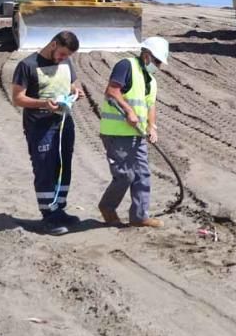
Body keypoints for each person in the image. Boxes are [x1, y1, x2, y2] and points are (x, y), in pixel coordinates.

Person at [11, 31, 85, 235]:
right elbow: (18, 98)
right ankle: (48, 216)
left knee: (63, 166)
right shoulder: (27, 65)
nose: (64, 59)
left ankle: (59, 209)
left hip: (63, 123)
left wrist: (76, 92)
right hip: (39, 126)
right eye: (62, 54)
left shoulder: (66, 63)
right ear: (53, 44)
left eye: (67, 56)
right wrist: (44, 103)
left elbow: (71, 84)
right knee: (44, 168)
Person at [98, 36, 169, 228]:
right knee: (125, 175)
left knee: (142, 174)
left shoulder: (151, 80)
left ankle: (139, 216)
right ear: (147, 55)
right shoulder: (126, 66)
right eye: (157, 61)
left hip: (137, 134)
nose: (159, 66)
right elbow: (112, 91)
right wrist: (128, 111)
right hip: (116, 133)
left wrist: (151, 126)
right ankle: (107, 207)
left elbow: (150, 105)